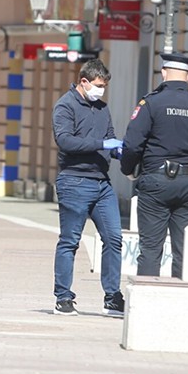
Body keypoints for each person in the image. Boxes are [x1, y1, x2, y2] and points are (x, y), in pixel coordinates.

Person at [120, 52, 188, 279]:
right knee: (184, 250)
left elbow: (133, 143)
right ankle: (179, 294)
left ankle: (148, 295)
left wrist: (128, 169)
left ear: (164, 73)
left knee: (150, 249)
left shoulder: (151, 103)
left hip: (156, 182)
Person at [51, 58, 124, 317]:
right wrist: (102, 144)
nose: (101, 90)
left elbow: (109, 137)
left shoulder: (102, 108)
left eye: (104, 86)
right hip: (75, 181)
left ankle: (112, 297)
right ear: (84, 81)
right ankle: (63, 297)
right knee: (70, 240)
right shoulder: (65, 105)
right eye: (98, 85)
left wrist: (118, 151)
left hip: (102, 183)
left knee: (114, 238)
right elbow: (65, 141)